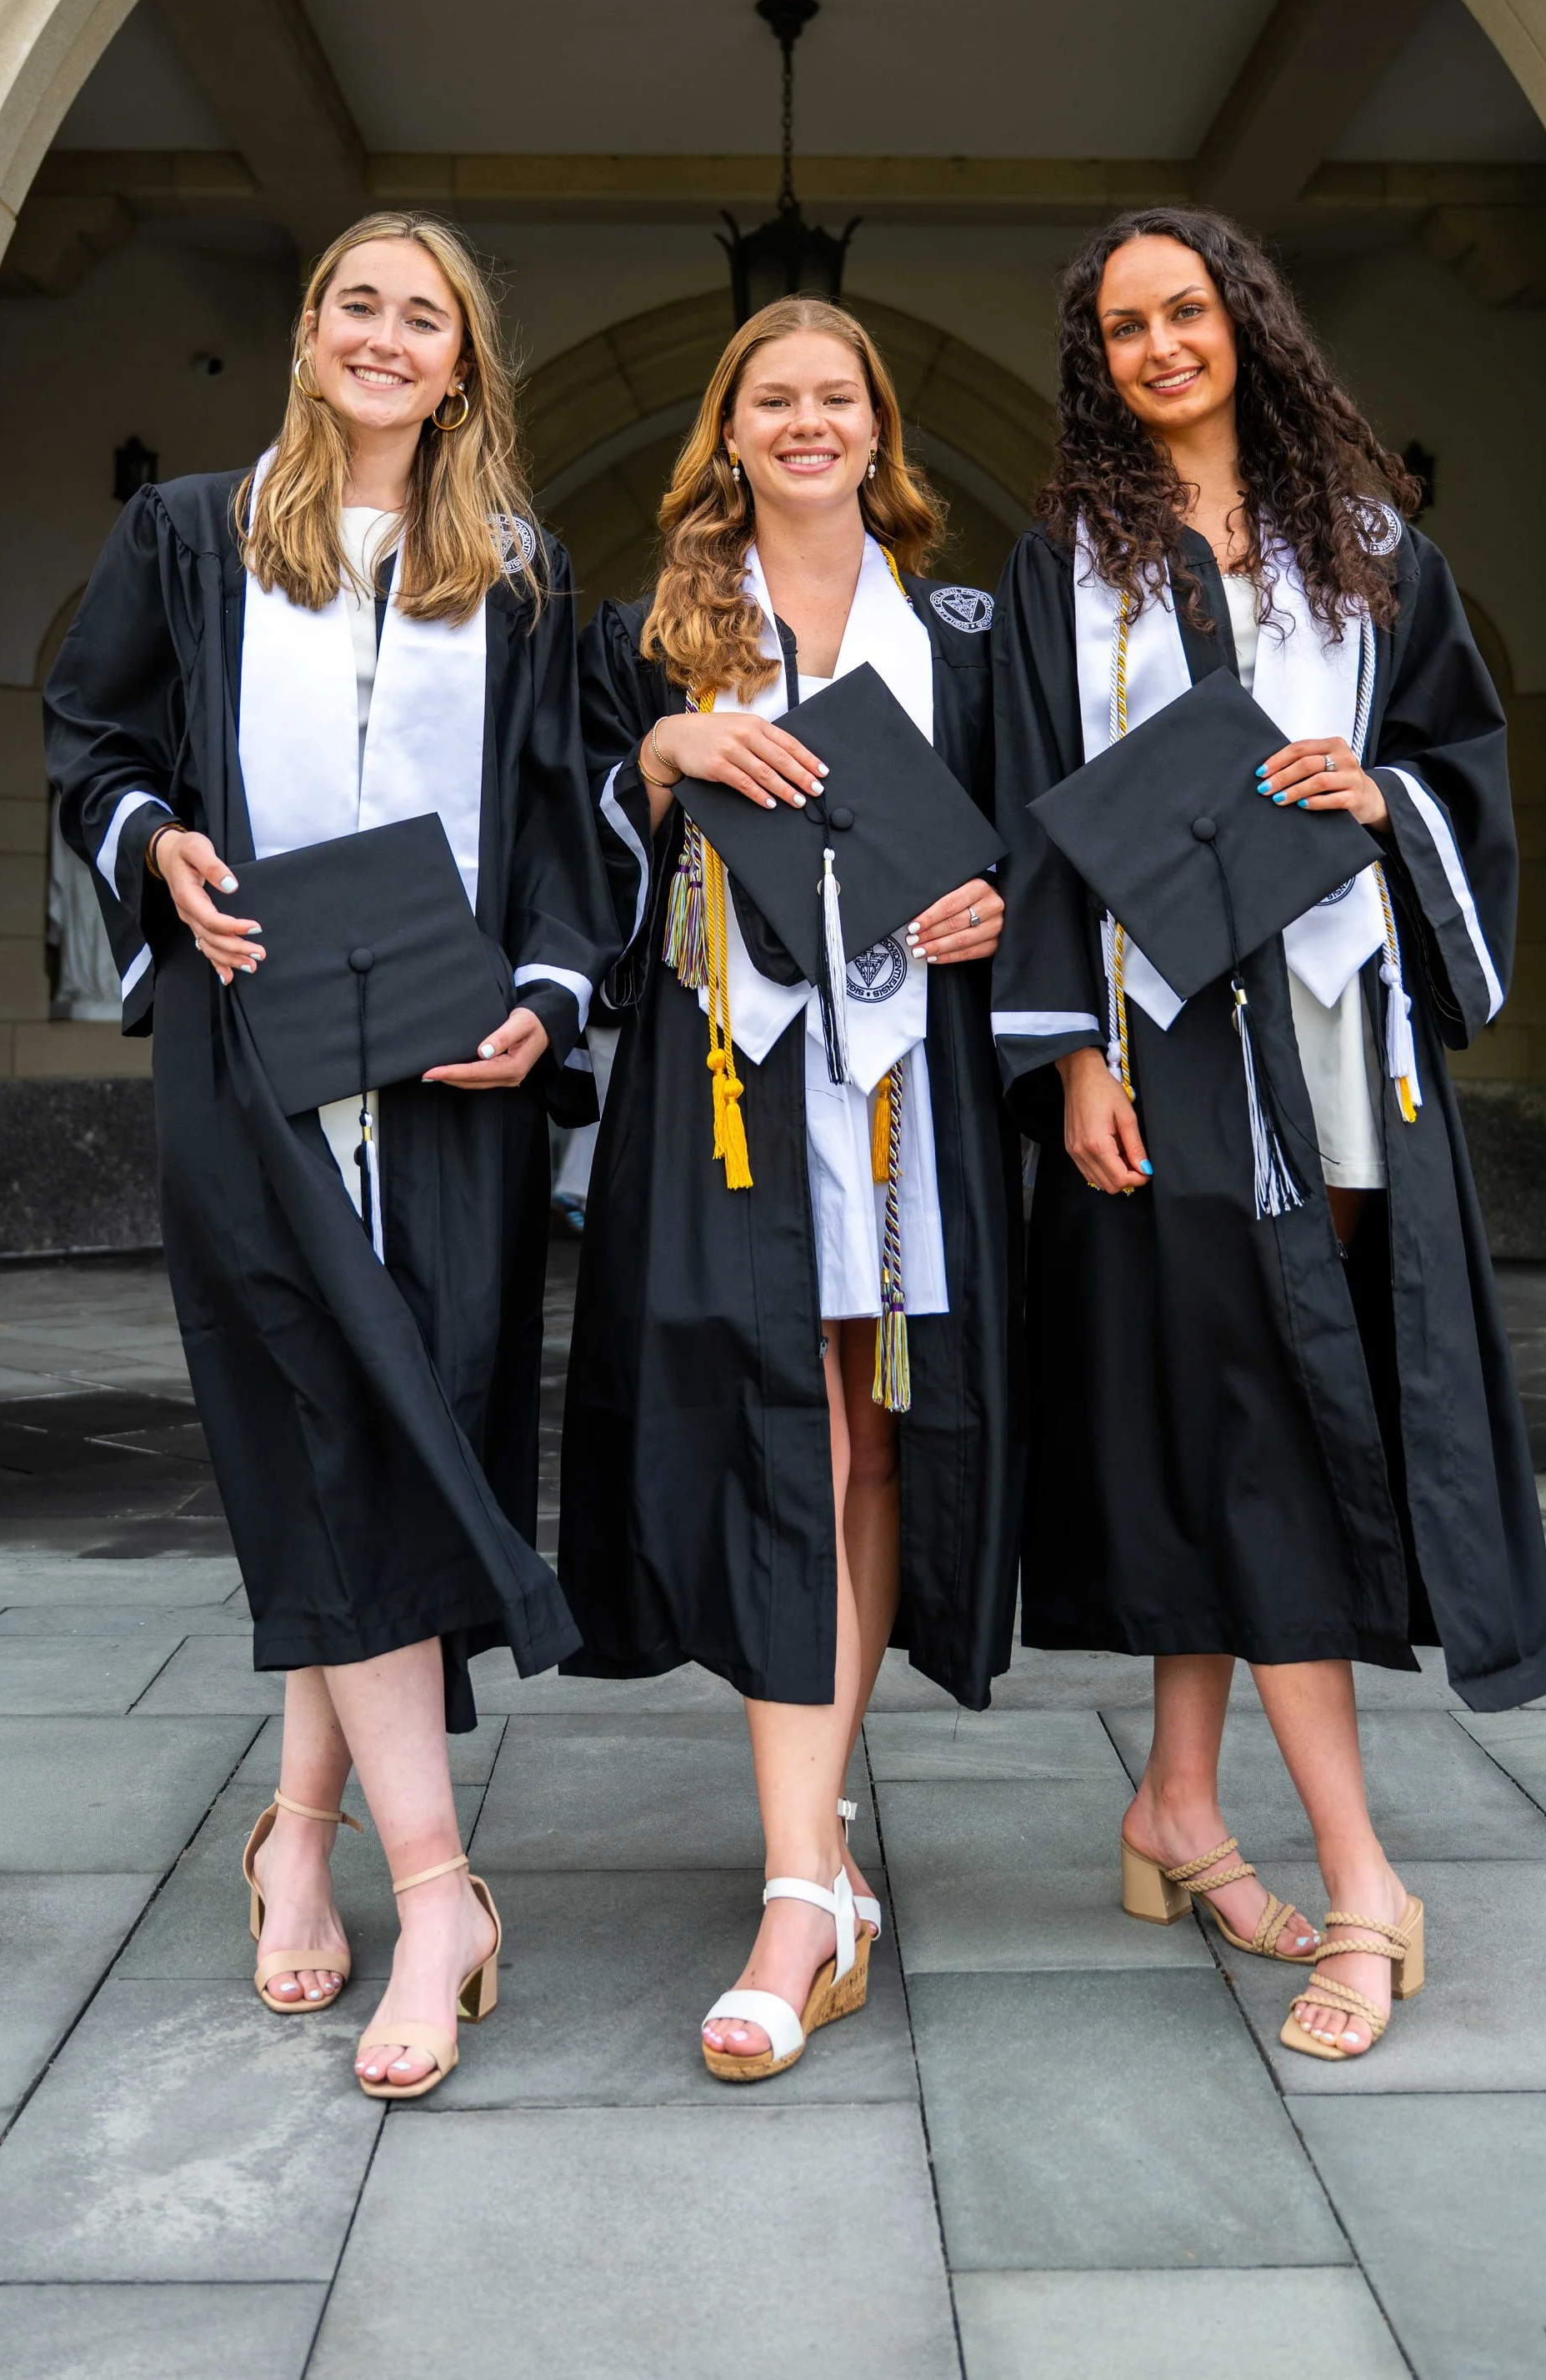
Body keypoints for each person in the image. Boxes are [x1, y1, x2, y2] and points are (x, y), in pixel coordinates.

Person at [46, 213, 613, 2099]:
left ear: (462, 366)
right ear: (305, 333)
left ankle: (299, 1836)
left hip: (445, 1066)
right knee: (322, 1405)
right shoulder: (191, 536)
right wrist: (156, 845)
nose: (384, 335)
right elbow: (92, 732)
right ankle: (439, 1887)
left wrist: (545, 990)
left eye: (421, 314)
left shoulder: (513, 578)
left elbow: (553, 832)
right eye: (355, 302)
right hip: (253, 1049)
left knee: (393, 1417)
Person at [992, 206, 1546, 2062]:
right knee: (1225, 1409)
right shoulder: (1064, 565)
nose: (1158, 345)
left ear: (1240, 321)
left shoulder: (1374, 549)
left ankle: (1178, 1801)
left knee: (1258, 1411)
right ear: (1094, 360)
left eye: (1184, 311)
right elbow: (1039, 822)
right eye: (1121, 327)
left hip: (1333, 1031)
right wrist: (1067, 1056)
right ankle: (1351, 1867)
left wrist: (1374, 787)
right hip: (1162, 1043)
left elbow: (1462, 773)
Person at [561, 297, 1021, 2082]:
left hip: (908, 1093)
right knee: (789, 1438)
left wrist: (995, 919)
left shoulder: (963, 640)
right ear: (727, 432)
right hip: (734, 1085)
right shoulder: (652, 638)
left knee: (877, 1435)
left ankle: (819, 1845)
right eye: (775, 398)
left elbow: (1026, 848)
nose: (807, 420)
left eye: (838, 397)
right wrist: (663, 755)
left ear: (880, 432)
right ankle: (795, 1881)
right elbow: (564, 836)